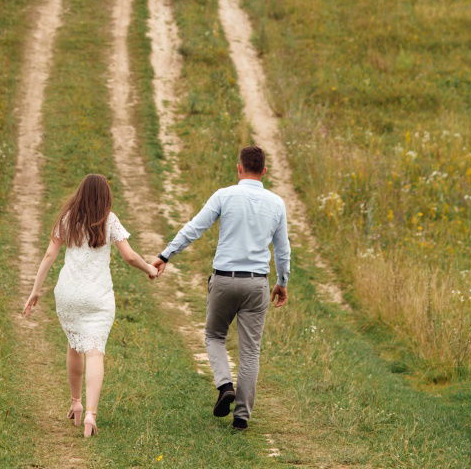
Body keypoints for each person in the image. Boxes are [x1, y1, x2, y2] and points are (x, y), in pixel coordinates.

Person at [153, 145, 290, 430]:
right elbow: (282, 250)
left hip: (225, 279)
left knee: (214, 335)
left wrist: (166, 255)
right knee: (250, 351)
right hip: (257, 283)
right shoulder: (276, 203)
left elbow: (194, 228)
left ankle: (225, 384)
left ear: (239, 168)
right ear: (264, 171)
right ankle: (241, 417)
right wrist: (282, 282)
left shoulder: (224, 195)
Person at [22, 173, 158, 437]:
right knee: (95, 352)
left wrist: (35, 290)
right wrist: (149, 269)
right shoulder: (109, 219)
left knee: (75, 345)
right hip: (98, 296)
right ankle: (91, 416)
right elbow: (129, 256)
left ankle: (75, 403)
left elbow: (50, 254)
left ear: (80, 192)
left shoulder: (68, 218)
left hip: (69, 294)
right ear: (105, 195)